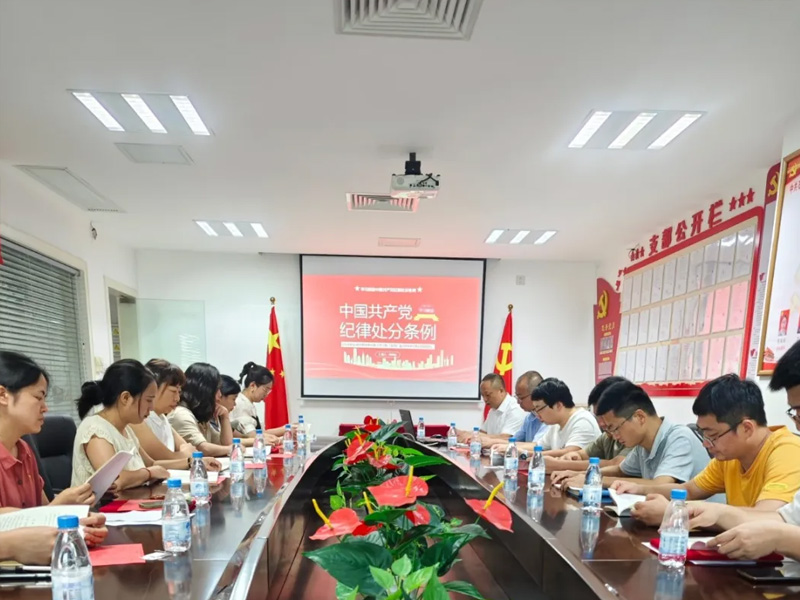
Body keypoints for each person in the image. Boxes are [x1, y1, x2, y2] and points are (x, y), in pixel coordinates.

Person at [611, 374, 800, 526]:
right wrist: (639, 489)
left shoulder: (787, 451)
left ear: (746, 428)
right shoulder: (730, 457)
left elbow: (766, 518)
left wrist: (675, 513)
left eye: (713, 435)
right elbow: (688, 490)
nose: (706, 444)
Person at [673, 341, 800, 560]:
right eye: (795, 413)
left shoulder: (788, 451)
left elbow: (772, 524)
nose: (797, 424)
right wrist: (712, 513)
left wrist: (779, 537)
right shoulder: (730, 456)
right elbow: (783, 520)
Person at [72, 359, 212, 490]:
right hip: (101, 508)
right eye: (149, 400)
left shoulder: (126, 428)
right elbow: (114, 480)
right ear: (125, 398)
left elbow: (152, 464)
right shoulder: (95, 429)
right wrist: (148, 474)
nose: (151, 407)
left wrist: (192, 462)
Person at [554, 380, 707, 489]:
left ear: (639, 417)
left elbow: (660, 485)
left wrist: (593, 480)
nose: (614, 436)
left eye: (615, 428)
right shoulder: (642, 445)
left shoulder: (679, 438)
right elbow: (620, 470)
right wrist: (579, 474)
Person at [0, 350, 100, 511]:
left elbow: (44, 510)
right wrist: (60, 505)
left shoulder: (24, 450)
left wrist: (70, 505)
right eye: (38, 397)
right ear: (3, 395)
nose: (45, 408)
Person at [130, 359, 221, 470]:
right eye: (173, 391)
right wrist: (185, 455)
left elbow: (190, 450)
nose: (177, 398)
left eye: (179, 392)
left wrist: (185, 454)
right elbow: (166, 457)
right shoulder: (139, 419)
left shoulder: (162, 417)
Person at [492, 378, 600, 456]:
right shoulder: (555, 424)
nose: (537, 414)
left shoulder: (582, 421)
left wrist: (524, 453)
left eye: (539, 409)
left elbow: (569, 453)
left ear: (558, 405)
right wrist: (510, 447)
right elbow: (537, 446)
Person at [548, 376, 631, 476]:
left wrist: (559, 465)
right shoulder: (606, 437)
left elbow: (618, 466)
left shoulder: (634, 436)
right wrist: (574, 456)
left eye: (604, 416)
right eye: (598, 417)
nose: (601, 423)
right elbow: (582, 454)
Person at [169, 362, 237, 457]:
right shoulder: (181, 414)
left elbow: (224, 444)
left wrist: (225, 417)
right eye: (216, 389)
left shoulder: (199, 415)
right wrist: (233, 448)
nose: (220, 395)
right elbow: (202, 448)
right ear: (204, 390)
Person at [475, 371, 549, 448]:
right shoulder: (529, 417)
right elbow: (513, 440)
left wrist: (499, 444)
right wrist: (493, 442)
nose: (518, 401)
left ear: (535, 394)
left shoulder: (549, 419)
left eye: (521, 398)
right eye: (517, 397)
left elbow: (536, 446)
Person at [458, 373, 526, 443]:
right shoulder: (493, 409)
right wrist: (463, 433)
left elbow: (506, 438)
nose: (485, 399)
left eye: (488, 395)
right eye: (483, 396)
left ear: (501, 391)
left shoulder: (515, 409)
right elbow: (483, 432)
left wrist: (473, 436)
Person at [231, 362, 281, 443]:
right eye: (265, 389)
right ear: (252, 386)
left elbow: (259, 432)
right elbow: (252, 435)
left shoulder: (248, 403)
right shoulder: (240, 403)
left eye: (269, 391)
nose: (266, 394)